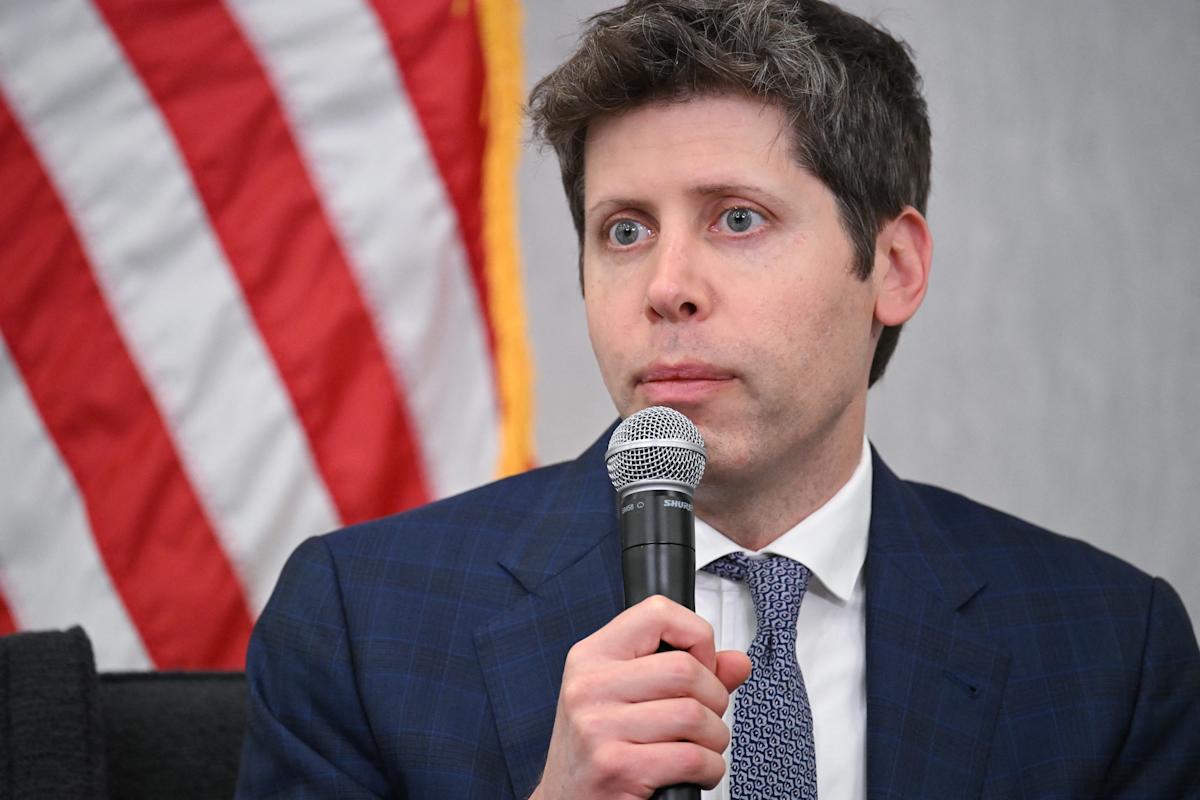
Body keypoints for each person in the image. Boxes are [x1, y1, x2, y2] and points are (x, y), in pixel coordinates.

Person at [235, 1, 1200, 798]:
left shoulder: (1111, 650)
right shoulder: (360, 624)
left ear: (894, 267)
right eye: (625, 231)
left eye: (738, 219)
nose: (667, 286)